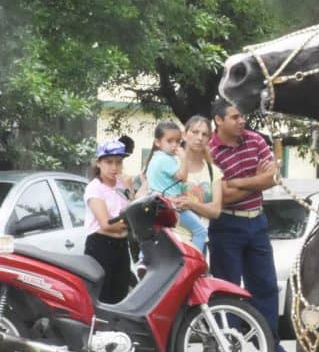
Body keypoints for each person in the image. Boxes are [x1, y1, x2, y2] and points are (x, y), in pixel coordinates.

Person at [208, 97, 292, 352]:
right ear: (219, 120)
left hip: (257, 222)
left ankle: (270, 347)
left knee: (265, 286)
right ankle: (228, 347)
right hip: (226, 225)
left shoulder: (255, 140)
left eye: (242, 116)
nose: (242, 120)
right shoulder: (211, 151)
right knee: (228, 288)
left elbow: (273, 177)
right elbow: (221, 197)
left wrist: (237, 183)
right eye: (235, 117)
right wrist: (257, 181)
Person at [144, 120, 209, 253]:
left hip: (157, 204)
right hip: (171, 205)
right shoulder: (166, 159)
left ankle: (144, 258)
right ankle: (195, 259)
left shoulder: (155, 158)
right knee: (200, 230)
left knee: (157, 235)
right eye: (170, 141)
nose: (174, 145)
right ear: (158, 142)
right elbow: (182, 177)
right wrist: (184, 159)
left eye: (178, 141)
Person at [84, 138, 134, 304]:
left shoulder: (122, 184)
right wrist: (132, 223)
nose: (114, 167)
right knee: (101, 298)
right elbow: (106, 224)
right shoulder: (94, 188)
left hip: (121, 246)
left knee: (120, 297)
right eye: (109, 162)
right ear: (98, 163)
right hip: (100, 246)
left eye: (118, 162)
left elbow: (131, 209)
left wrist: (130, 189)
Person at [172, 116, 224, 248]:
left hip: (199, 242)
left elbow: (215, 211)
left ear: (209, 139)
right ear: (184, 135)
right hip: (171, 240)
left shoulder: (213, 171)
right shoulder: (171, 163)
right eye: (195, 132)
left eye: (204, 134)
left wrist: (190, 203)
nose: (200, 138)